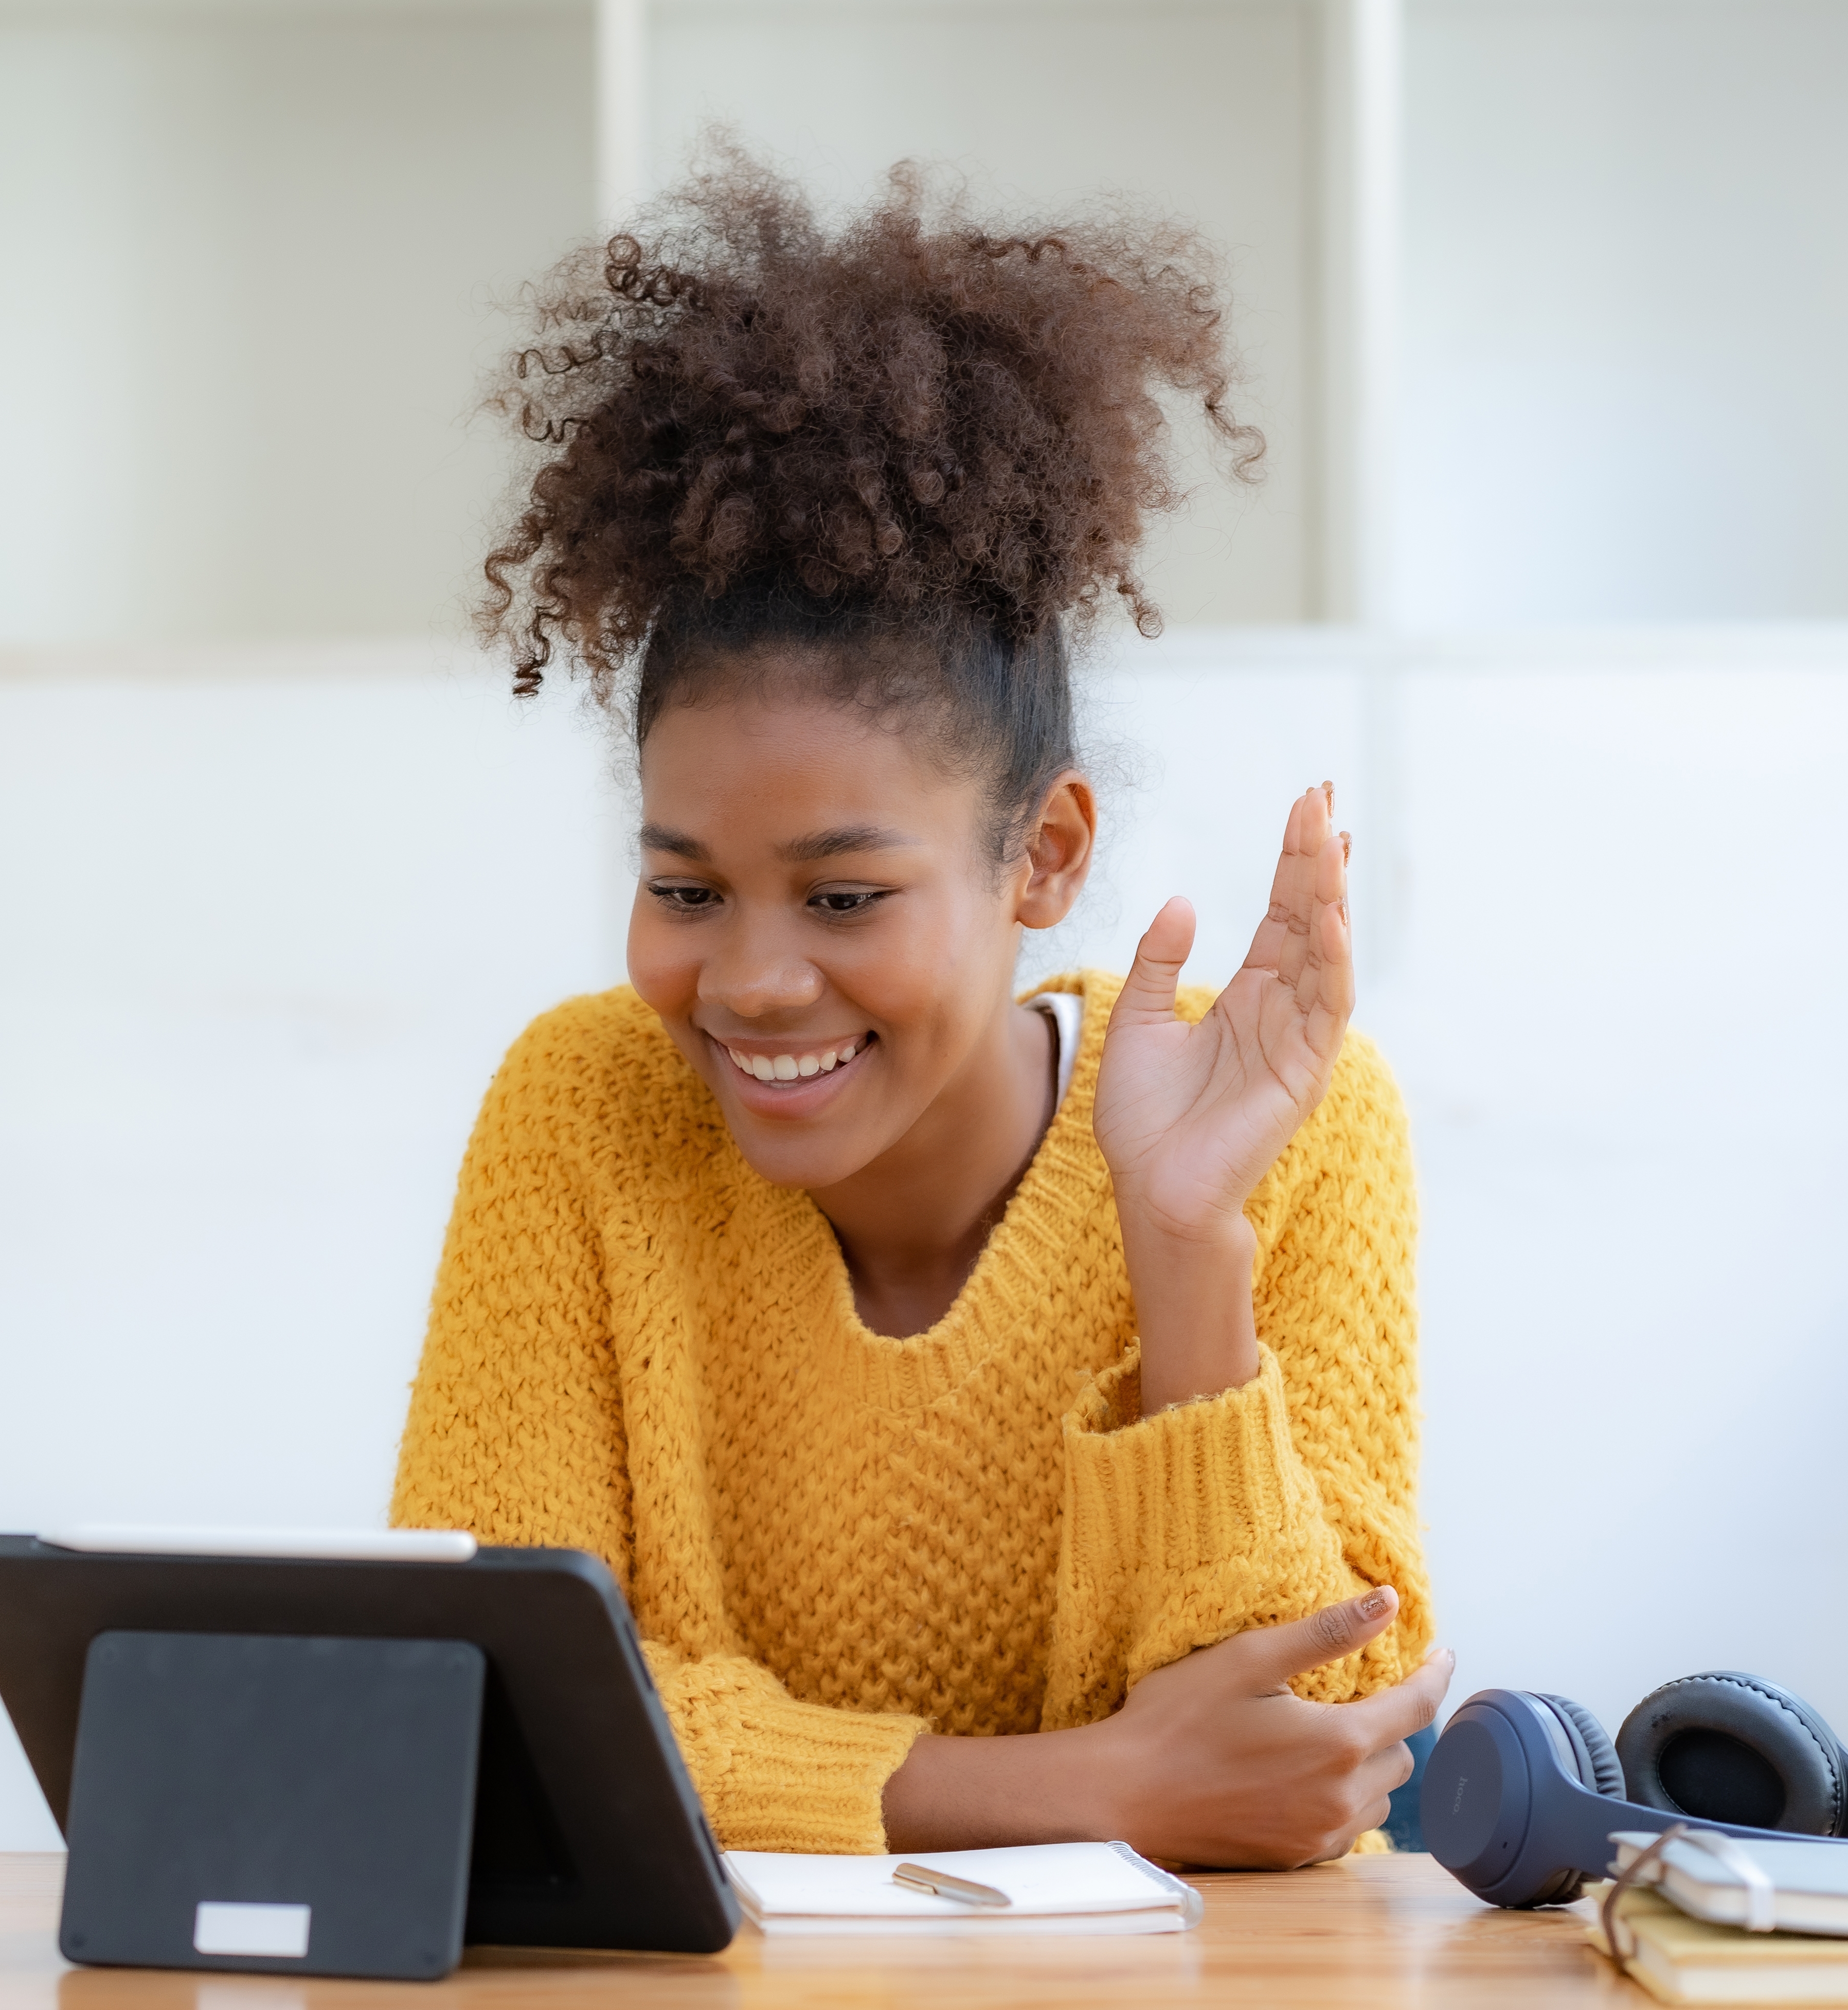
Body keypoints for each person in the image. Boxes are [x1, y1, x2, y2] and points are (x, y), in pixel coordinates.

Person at [387, 155, 1450, 1870]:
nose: (745, 981)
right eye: (683, 887)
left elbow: (1310, 1759)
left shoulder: (1293, 1126)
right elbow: (485, 1714)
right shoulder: (582, 1106)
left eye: (843, 896)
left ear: (1042, 855)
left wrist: (1187, 1254)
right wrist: (1082, 1788)